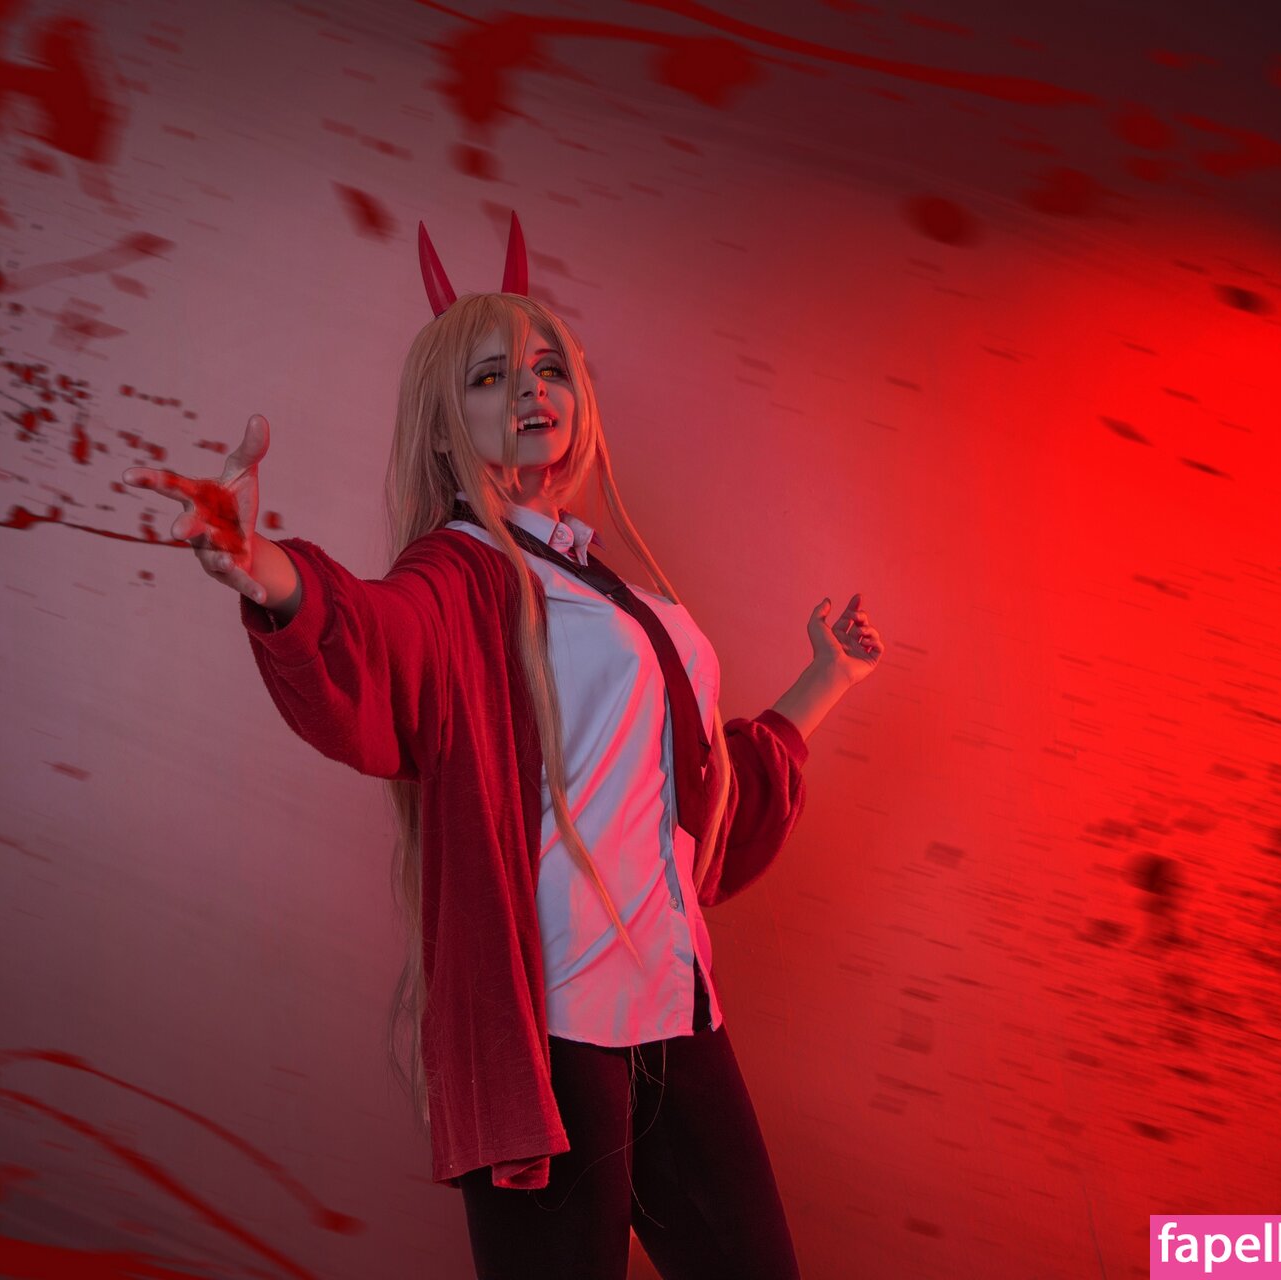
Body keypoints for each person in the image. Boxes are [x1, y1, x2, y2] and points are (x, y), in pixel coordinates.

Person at [126, 214, 884, 1280]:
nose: (532, 389)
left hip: (675, 1004)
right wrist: (266, 569)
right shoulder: (458, 576)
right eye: (491, 376)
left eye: (547, 367)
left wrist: (825, 681)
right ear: (446, 428)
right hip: (555, 1026)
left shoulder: (617, 591)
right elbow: (373, 642)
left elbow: (700, 796)